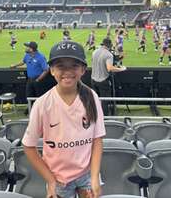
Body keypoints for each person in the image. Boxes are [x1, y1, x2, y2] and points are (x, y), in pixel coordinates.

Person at [22, 40, 106, 198]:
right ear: (52, 70)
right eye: (61, 66)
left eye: (74, 65)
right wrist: (50, 180)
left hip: (87, 174)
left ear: (83, 69)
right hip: (58, 178)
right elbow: (28, 146)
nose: (67, 71)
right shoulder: (42, 104)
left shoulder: (91, 97)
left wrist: (94, 177)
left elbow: (97, 139)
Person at [91, 38, 126, 116]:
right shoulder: (108, 54)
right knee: (105, 100)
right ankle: (104, 117)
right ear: (109, 45)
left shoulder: (95, 51)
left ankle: (95, 115)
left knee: (95, 99)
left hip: (93, 79)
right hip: (103, 80)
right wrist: (121, 69)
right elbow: (110, 68)